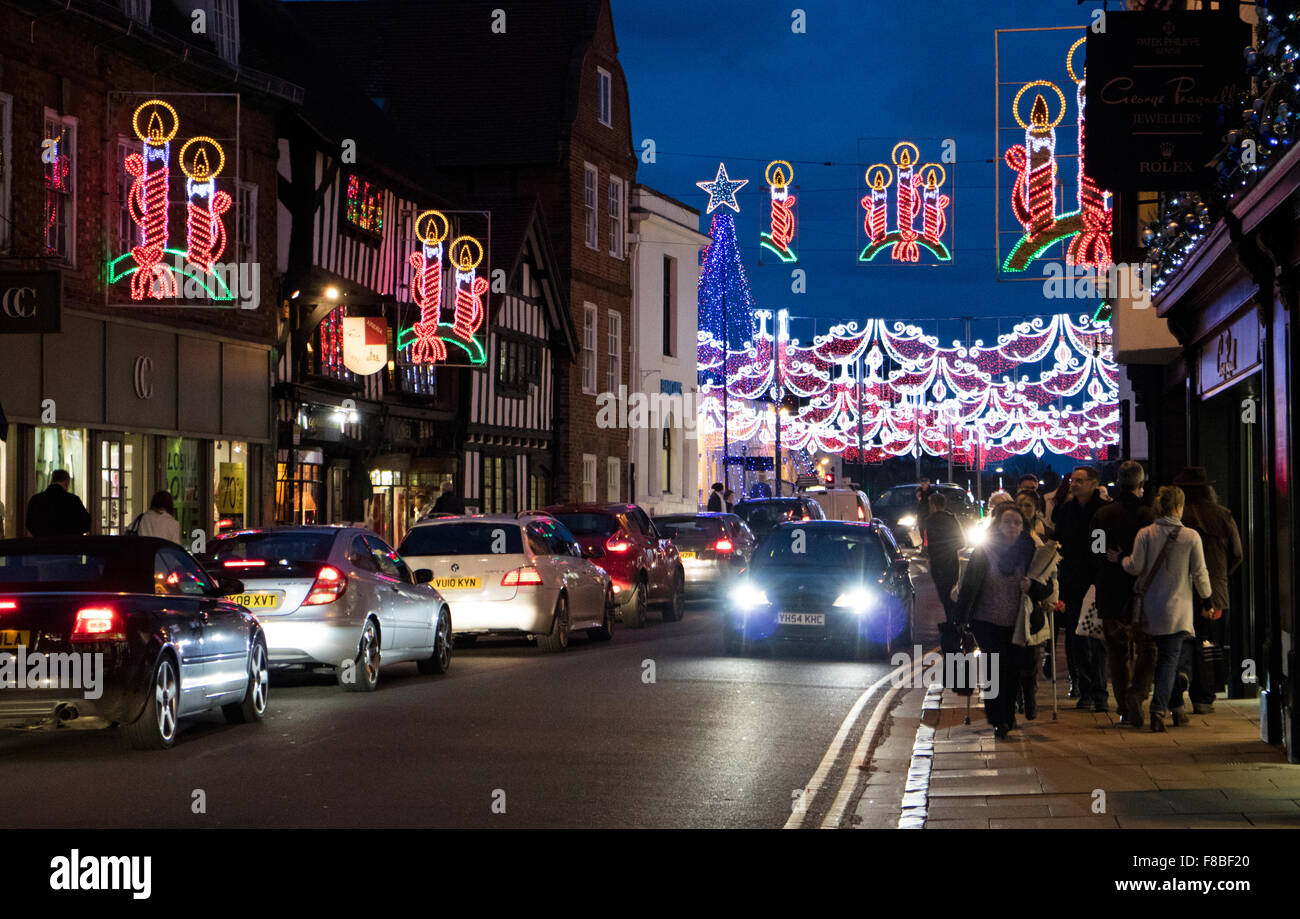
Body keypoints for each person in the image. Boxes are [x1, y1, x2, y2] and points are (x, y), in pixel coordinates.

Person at [954, 504, 1053, 738]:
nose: (1012, 527)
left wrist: (1032, 586)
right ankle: (999, 719)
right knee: (994, 670)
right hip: (986, 620)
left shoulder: (1030, 550)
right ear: (997, 525)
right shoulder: (984, 551)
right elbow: (968, 585)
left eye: (1017, 522)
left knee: (1013, 671)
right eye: (1007, 522)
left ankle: (1008, 715)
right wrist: (960, 618)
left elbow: (1045, 586)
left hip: (1019, 622)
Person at [1121, 486, 1213, 732]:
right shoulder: (1191, 536)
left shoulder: (1145, 534)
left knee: (1155, 657)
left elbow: (1135, 566)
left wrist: (1122, 559)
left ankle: (1175, 708)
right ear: (1179, 508)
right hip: (1177, 609)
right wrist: (1208, 599)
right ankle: (1158, 710)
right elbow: (1200, 573)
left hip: (1149, 608)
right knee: (1169, 662)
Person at [1173, 467, 1243, 714]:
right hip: (1215, 591)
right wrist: (1222, 576)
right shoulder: (1222, 515)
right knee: (1208, 641)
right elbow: (1237, 553)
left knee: (1181, 639)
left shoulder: (1177, 518)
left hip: (1180, 590)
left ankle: (1181, 677)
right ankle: (1203, 696)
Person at [1093, 460, 1157, 726]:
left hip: (1110, 591)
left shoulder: (1102, 515)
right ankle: (1138, 692)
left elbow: (1095, 552)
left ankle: (1123, 705)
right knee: (1148, 648)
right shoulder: (1148, 516)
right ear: (1140, 485)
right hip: (1142, 593)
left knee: (1117, 653)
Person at [1052, 465, 1110, 711]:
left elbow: (1100, 547)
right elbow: (1061, 544)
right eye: (1072, 480)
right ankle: (1085, 689)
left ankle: (1100, 692)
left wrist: (1098, 574)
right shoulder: (1066, 511)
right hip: (1073, 583)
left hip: (1097, 583)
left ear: (1093, 484)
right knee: (1078, 638)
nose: (1073, 484)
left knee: (1097, 639)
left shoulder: (1102, 511)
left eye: (1079, 480)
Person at [923, 492, 963, 622]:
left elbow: (927, 543)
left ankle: (952, 621)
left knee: (944, 593)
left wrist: (930, 554)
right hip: (952, 562)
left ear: (932, 505)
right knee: (951, 592)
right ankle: (954, 620)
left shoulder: (930, 521)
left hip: (937, 563)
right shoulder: (952, 519)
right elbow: (962, 541)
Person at [25, 469, 91, 537]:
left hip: (43, 545)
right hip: (69, 545)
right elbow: (86, 524)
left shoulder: (36, 500)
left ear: (52, 481)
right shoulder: (73, 500)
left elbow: (30, 524)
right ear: (66, 482)